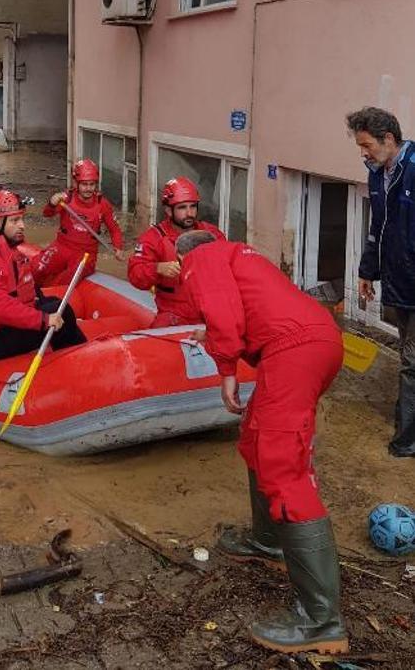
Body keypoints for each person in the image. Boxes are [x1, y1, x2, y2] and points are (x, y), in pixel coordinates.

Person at [175, 231, 346, 655]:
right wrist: (214, 340)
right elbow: (248, 313)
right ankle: (267, 542)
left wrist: (226, 370)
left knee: (283, 465)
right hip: (314, 342)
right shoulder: (240, 256)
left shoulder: (202, 258)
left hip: (294, 350)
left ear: (183, 259)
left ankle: (321, 620)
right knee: (256, 438)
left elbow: (223, 311)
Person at [346, 106, 415, 457]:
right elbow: (378, 230)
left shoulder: (414, 170)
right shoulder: (378, 175)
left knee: (411, 363)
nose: (364, 153)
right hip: (400, 285)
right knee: (409, 356)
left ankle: (408, 439)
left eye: (367, 145)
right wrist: (366, 272)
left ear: (388, 139)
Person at [0, 189, 87, 361]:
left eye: (21, 219)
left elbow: (22, 287)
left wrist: (40, 305)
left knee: (51, 303)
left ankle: (71, 353)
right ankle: (79, 360)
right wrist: (42, 319)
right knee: (61, 311)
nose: (22, 225)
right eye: (15, 220)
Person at [128, 176, 225, 326]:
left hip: (209, 312)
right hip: (173, 314)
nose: (189, 213)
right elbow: (135, 275)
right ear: (168, 210)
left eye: (193, 206)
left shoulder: (212, 234)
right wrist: (157, 268)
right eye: (182, 207)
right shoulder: (153, 238)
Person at [32, 158, 126, 287]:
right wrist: (52, 203)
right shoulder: (66, 198)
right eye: (84, 184)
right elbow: (47, 214)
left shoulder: (102, 204)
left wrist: (118, 247)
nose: (88, 188)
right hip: (62, 246)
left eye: (92, 184)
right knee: (36, 269)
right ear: (76, 183)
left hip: (86, 254)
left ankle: (50, 299)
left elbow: (114, 230)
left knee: (63, 283)